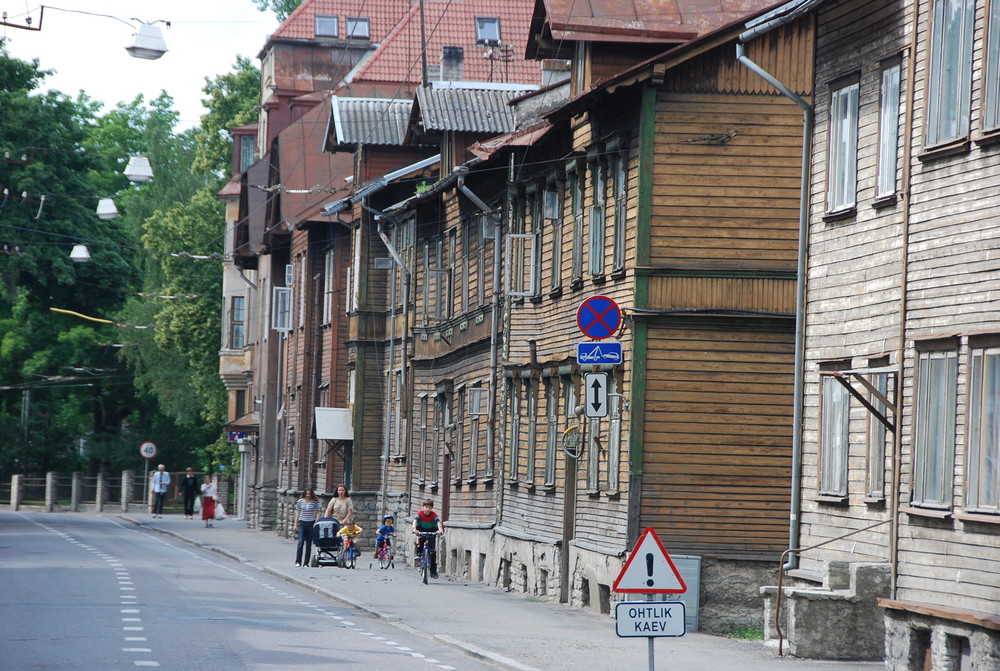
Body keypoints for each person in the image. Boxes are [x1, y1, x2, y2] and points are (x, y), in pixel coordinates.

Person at [412, 499, 443, 579]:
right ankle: (418, 554)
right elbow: (415, 521)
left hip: (432, 531)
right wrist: (414, 528)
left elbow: (438, 522)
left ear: (431, 508)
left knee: (432, 552)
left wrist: (440, 530)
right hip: (421, 529)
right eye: (426, 507)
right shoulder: (420, 513)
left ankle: (433, 572)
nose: (427, 509)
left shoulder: (433, 515)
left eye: (429, 507)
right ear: (423, 507)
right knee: (421, 541)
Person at [293, 487, 323, 567]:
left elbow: (317, 513)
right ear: (304, 494)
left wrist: (316, 523)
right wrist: (295, 524)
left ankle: (306, 562)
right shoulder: (300, 501)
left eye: (309, 494)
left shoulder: (315, 502)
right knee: (300, 542)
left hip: (311, 523)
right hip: (302, 523)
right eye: (306, 494)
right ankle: (298, 561)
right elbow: (298, 512)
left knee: (308, 544)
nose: (308, 496)